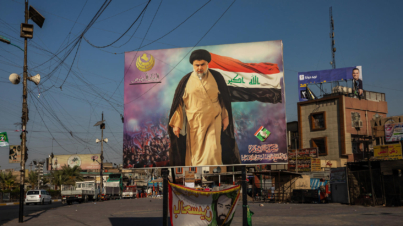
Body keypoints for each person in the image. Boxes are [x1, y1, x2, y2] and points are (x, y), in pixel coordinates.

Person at [168, 49, 241, 166]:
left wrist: (225, 116)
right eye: (197, 65)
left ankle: (214, 177)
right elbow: (179, 103)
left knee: (213, 150)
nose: (199, 68)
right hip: (194, 123)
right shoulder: (185, 81)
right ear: (193, 65)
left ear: (207, 64)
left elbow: (224, 100)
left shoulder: (217, 77)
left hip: (214, 120)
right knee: (195, 155)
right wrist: (177, 123)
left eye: (202, 64)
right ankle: (197, 179)